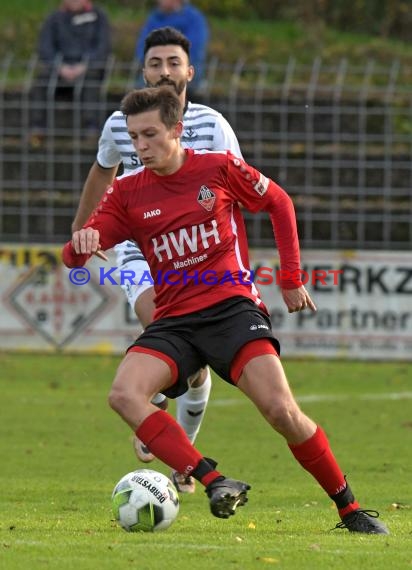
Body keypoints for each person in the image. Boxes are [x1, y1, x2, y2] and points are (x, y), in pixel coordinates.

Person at [63, 86, 389, 534]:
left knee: (281, 411)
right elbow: (76, 256)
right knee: (123, 394)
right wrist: (80, 244)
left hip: (232, 311)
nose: (140, 147)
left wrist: (291, 278)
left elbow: (279, 202)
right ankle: (214, 480)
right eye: (134, 137)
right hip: (174, 321)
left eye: (150, 135)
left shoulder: (216, 169)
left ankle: (349, 509)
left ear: (177, 129)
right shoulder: (126, 192)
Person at [71, 27, 243, 494]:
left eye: (172, 62)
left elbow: (235, 193)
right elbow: (103, 169)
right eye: (154, 63)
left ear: (190, 70)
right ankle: (167, 421)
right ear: (143, 70)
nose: (164, 71)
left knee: (195, 367)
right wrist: (81, 227)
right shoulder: (118, 124)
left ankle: (182, 452)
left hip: (201, 253)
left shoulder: (214, 125)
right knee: (160, 324)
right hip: (139, 249)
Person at [30, 0, 112, 140]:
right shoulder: (54, 18)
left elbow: (103, 47)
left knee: (91, 82)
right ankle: (37, 127)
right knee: (41, 81)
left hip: (87, 69)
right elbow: (45, 48)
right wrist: (60, 67)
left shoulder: (99, 17)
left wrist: (84, 66)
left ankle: (91, 128)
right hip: (59, 70)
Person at [135, 1, 209, 96]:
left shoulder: (193, 18)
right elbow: (142, 45)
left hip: (183, 72)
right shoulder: (154, 17)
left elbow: (194, 48)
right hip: (154, 70)